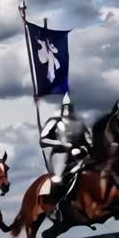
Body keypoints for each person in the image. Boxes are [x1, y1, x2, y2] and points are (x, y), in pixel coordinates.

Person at [39, 91, 93, 219]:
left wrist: (86, 147)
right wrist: (60, 143)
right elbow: (43, 139)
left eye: (70, 107)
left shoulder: (80, 124)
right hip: (60, 154)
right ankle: (54, 207)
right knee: (58, 179)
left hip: (79, 155)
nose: (67, 110)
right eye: (66, 107)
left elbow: (89, 141)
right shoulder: (54, 122)